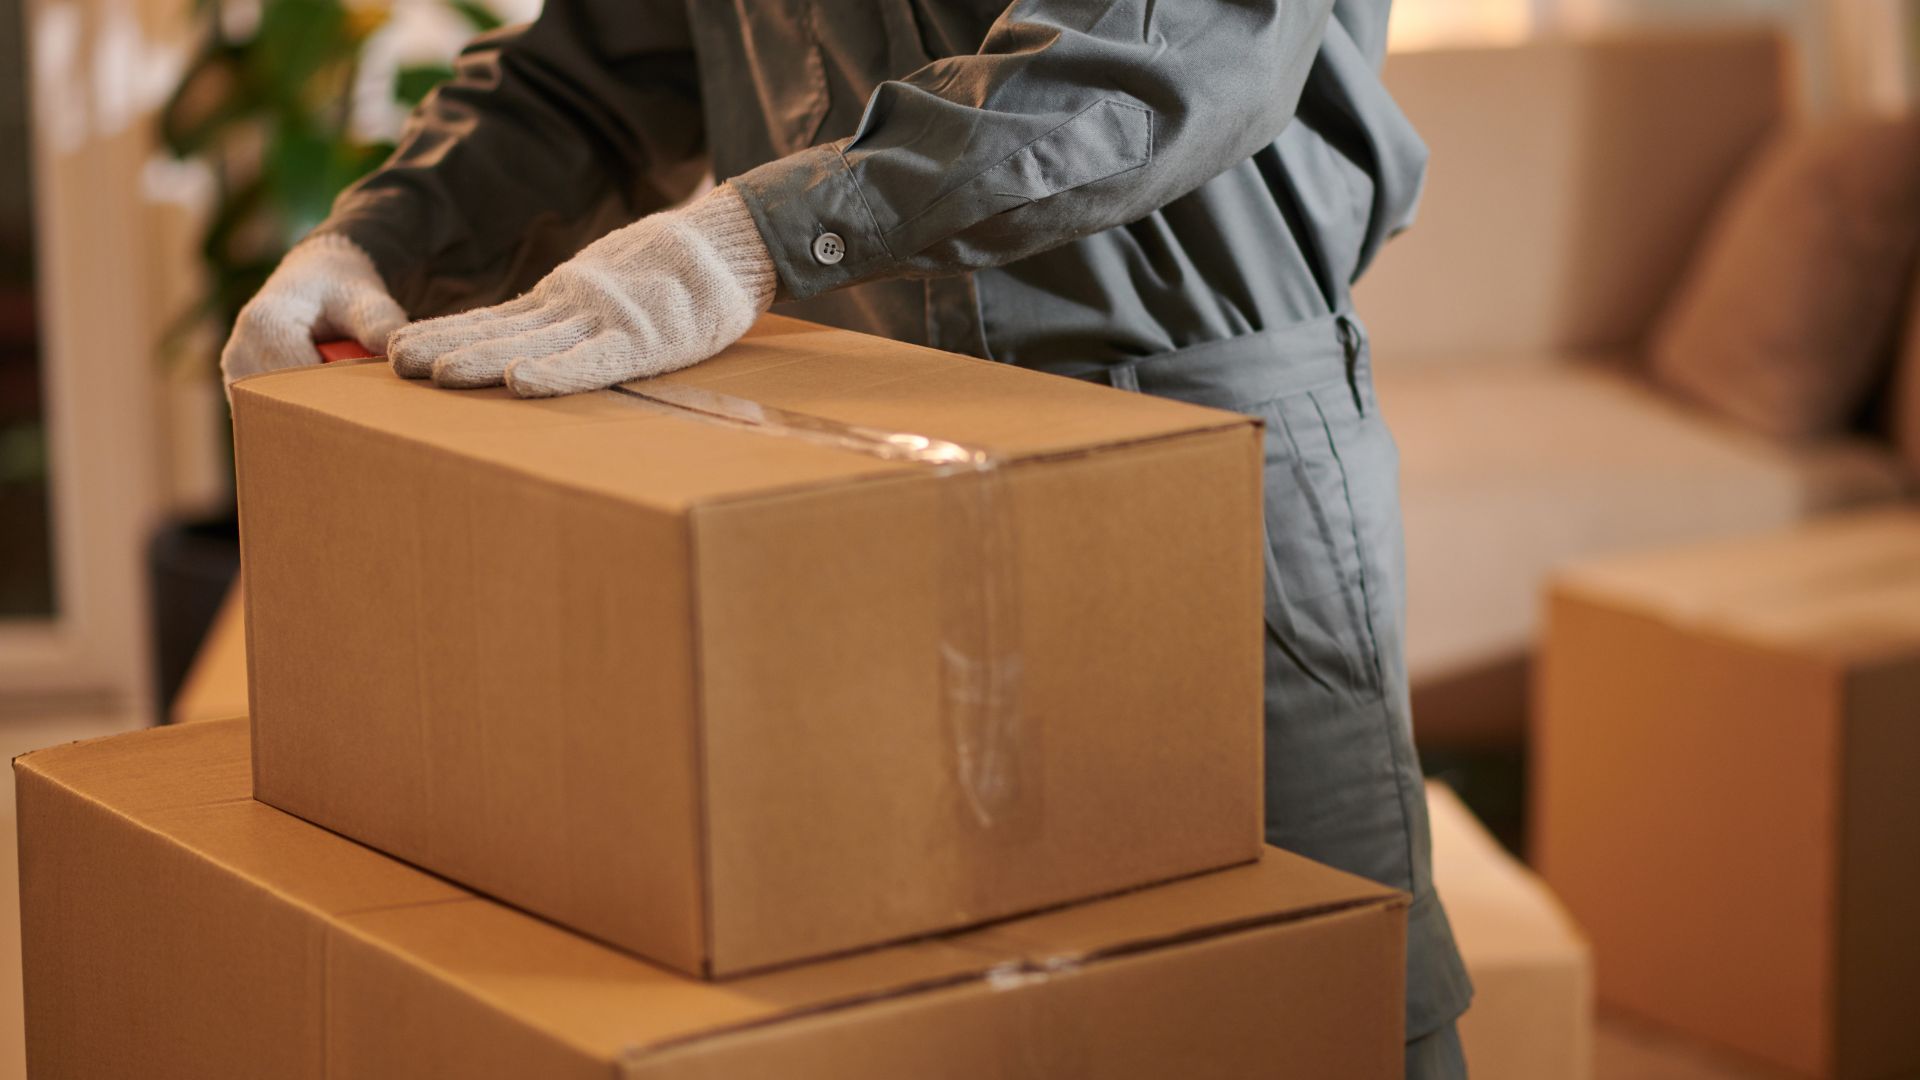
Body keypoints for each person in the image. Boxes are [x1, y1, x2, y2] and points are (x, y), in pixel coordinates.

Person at [223, 0, 1473, 1071]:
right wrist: (379, 238)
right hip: (852, 463)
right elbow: (605, 68)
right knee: (902, 1013)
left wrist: (763, 231)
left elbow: (1175, 50)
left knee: (1315, 1011)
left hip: (1193, 438)